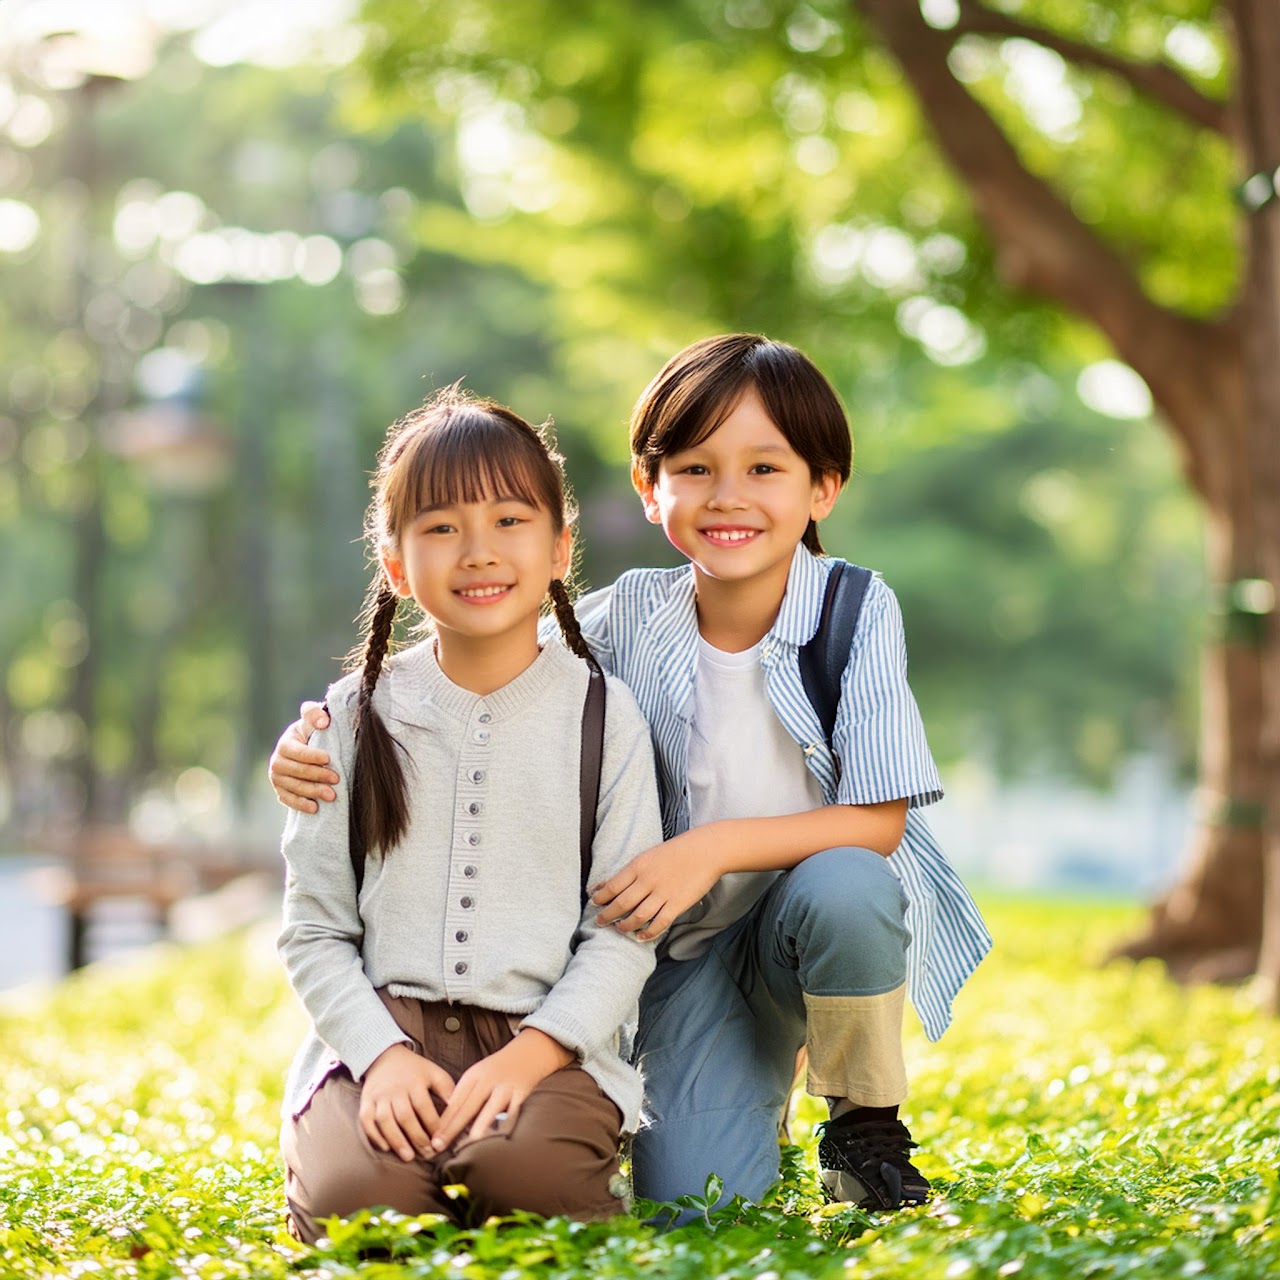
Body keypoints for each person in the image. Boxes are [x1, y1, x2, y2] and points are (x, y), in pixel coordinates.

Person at [271, 335, 991, 1220]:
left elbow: (879, 822)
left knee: (850, 885)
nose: (728, 496)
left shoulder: (853, 609)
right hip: (666, 953)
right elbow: (487, 659)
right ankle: (737, 1080)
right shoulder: (617, 622)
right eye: (694, 467)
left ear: (822, 489)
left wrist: (708, 850)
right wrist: (317, 738)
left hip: (797, 922)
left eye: (765, 467)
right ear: (652, 491)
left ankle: (863, 1122)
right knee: (694, 1203)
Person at [275, 387, 662, 1243]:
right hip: (379, 1029)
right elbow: (314, 930)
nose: (478, 551)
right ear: (395, 564)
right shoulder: (352, 718)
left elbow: (624, 931)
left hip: (545, 1040)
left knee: (527, 1180)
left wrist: (537, 1054)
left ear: (561, 547)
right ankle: (356, 1134)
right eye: (442, 527)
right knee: (359, 1206)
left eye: (510, 521)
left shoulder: (606, 716)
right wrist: (378, 1057)